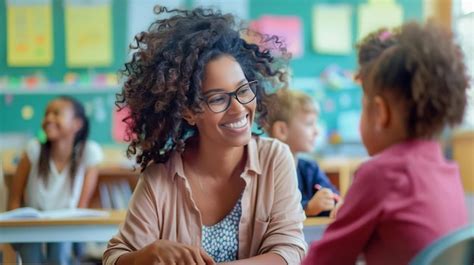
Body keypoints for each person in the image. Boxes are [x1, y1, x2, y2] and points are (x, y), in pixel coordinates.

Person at [103, 7, 306, 265]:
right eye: (218, 99)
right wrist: (147, 255)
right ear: (188, 111)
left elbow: (288, 252)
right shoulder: (161, 177)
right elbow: (113, 258)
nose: (239, 108)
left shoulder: (274, 158)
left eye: (244, 90)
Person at [302, 21, 469, 265]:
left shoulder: (381, 174)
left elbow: (323, 261)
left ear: (380, 112)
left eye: (363, 104)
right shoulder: (447, 170)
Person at [8, 96, 103, 264]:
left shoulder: (89, 152)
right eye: (47, 114)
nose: (49, 118)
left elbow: (81, 206)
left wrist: (76, 236)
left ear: (77, 124)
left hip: (66, 226)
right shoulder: (33, 149)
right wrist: (15, 234)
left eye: (57, 113)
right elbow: (15, 198)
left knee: (60, 253)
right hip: (31, 227)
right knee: (31, 258)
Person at [264, 89, 340, 217]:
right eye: (310, 123)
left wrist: (336, 204)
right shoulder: (266, 172)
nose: (316, 131)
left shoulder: (310, 169)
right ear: (282, 130)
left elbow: (334, 199)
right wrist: (307, 208)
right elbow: (271, 214)